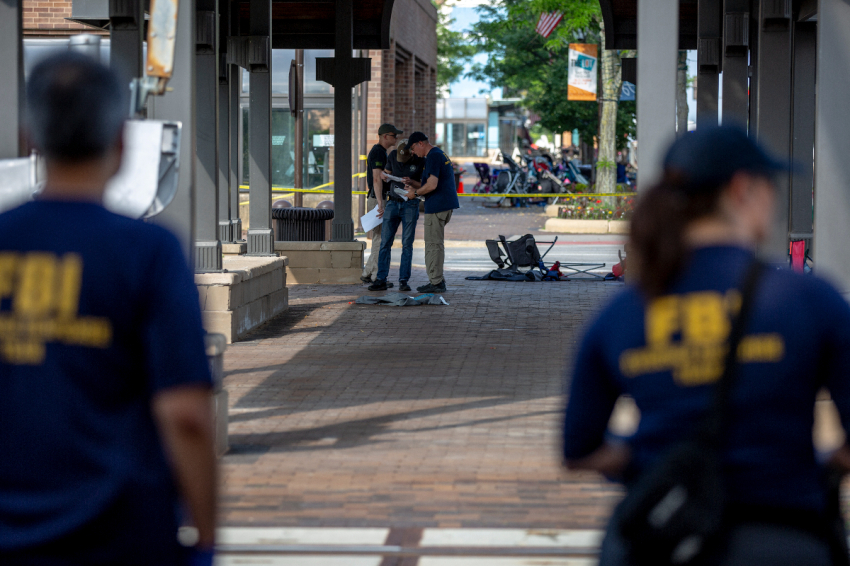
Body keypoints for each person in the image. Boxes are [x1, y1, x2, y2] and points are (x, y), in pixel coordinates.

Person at [563, 125, 850, 566]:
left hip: (660, 542)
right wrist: (817, 465)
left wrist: (649, 456)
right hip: (783, 541)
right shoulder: (808, 299)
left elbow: (578, 449)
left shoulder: (622, 312)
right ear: (741, 189)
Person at [0, 52, 216, 565]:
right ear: (120, 140)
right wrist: (206, 539)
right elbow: (185, 413)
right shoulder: (149, 251)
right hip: (122, 534)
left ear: (31, 138)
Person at [404, 131, 458, 293]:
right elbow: (428, 183)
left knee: (433, 245)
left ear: (421, 143)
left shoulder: (433, 156)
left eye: (413, 148)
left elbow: (432, 185)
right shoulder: (439, 154)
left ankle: (435, 282)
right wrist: (413, 183)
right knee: (437, 244)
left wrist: (415, 193)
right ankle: (438, 279)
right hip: (445, 204)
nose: (413, 152)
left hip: (437, 206)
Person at [368, 140, 425, 292]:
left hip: (410, 204)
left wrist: (412, 183)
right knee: (385, 242)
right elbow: (385, 174)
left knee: (407, 244)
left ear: (411, 153)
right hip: (392, 202)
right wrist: (385, 176)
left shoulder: (420, 160)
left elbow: (424, 184)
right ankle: (381, 279)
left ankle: (403, 280)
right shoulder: (393, 155)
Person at [361, 123, 403, 285]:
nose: (396, 138)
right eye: (394, 135)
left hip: (376, 197)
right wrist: (380, 203)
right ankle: (376, 276)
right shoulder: (378, 153)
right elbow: (377, 178)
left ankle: (368, 272)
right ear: (385, 136)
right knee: (380, 238)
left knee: (379, 237)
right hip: (378, 198)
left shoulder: (379, 152)